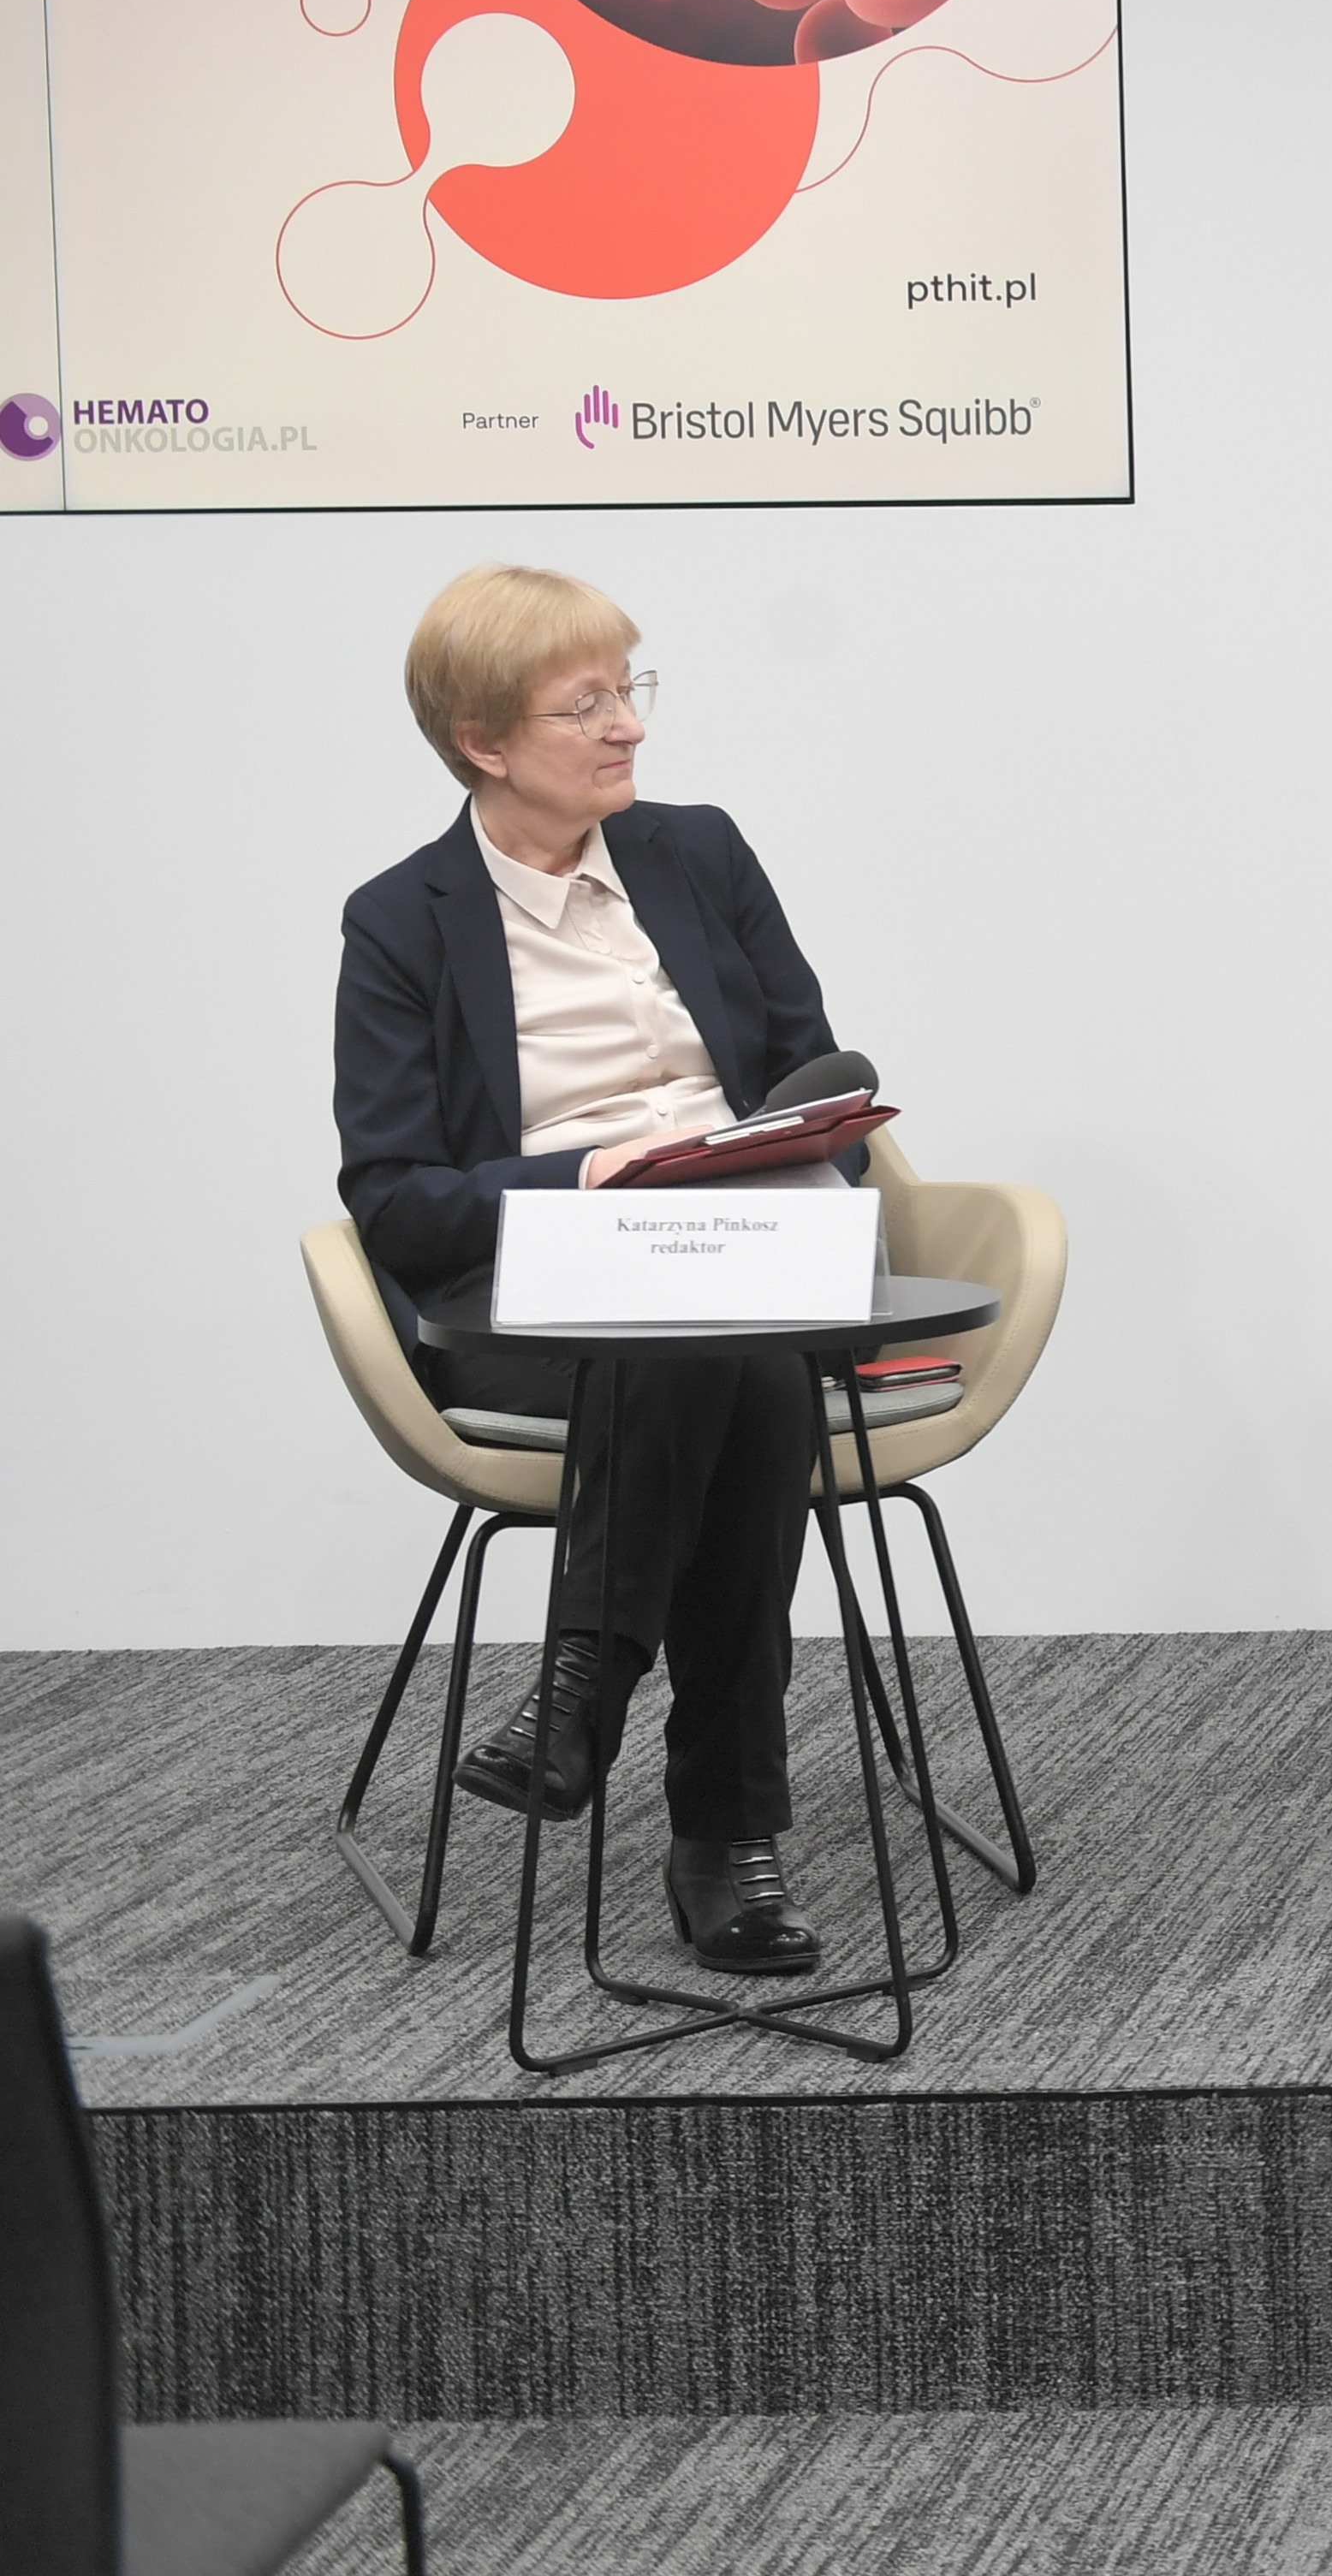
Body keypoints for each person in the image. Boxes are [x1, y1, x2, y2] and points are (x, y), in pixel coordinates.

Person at [334, 566, 865, 1976]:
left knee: (724, 1343)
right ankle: (726, 1836)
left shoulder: (701, 854)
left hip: (747, 1250)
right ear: (484, 743)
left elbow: (816, 1071)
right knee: (727, 1363)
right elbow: (394, 1201)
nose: (629, 726)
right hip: (545, 1302)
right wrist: (589, 1177)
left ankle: (581, 1687)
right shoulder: (401, 922)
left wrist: (777, 1159)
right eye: (586, 706)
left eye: (631, 690)